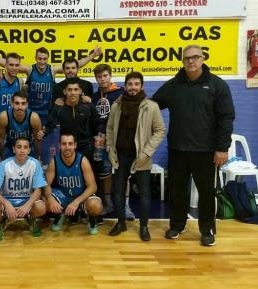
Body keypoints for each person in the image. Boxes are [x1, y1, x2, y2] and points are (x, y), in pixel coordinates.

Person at [151, 44, 235, 246]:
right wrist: (131, 102)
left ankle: (207, 230)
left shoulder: (217, 85)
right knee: (177, 192)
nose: (191, 61)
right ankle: (177, 226)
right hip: (178, 150)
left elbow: (226, 118)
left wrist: (222, 148)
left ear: (203, 58)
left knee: (207, 194)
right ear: (182, 61)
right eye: (187, 58)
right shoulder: (173, 85)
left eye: (195, 57)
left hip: (206, 151)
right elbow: (153, 104)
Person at [106, 71, 165, 241]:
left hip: (141, 158)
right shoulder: (117, 106)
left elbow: (160, 131)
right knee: (118, 191)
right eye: (130, 84)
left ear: (142, 86)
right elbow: (109, 128)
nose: (133, 88)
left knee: (144, 194)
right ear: (125, 86)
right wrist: (110, 148)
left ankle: (144, 227)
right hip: (120, 156)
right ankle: (121, 223)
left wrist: (146, 152)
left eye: (136, 84)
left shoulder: (151, 106)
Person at [0, 137, 47, 242]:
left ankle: (30, 219)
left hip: (26, 199)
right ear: (14, 149)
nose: (22, 150)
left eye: (25, 147)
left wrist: (26, 206)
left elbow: (38, 191)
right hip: (8, 199)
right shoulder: (5, 164)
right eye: (19, 147)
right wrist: (7, 204)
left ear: (29, 150)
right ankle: (2, 221)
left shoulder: (35, 164)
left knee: (41, 207)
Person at [43, 133, 102, 235]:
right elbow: (46, 184)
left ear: (75, 145)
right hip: (62, 195)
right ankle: (60, 214)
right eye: (64, 144)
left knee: (96, 206)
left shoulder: (82, 161)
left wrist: (77, 201)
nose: (67, 147)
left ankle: (91, 219)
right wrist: (50, 199)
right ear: (59, 145)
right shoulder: (54, 161)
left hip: (80, 195)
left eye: (70, 144)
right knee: (44, 201)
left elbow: (93, 187)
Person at [91, 64, 127, 218]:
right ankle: (108, 204)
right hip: (100, 141)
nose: (102, 79)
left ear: (110, 76)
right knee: (104, 173)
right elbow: (94, 119)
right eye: (99, 77)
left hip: (118, 140)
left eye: (105, 75)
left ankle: (126, 206)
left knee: (123, 173)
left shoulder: (120, 94)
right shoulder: (94, 96)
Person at [0, 91, 42, 161]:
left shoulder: (34, 118)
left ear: (27, 105)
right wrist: (2, 159)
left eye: (23, 103)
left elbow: (37, 141)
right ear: (12, 104)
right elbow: (1, 140)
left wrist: (37, 159)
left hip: (28, 149)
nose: (20, 107)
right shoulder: (4, 117)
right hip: (10, 148)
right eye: (17, 103)